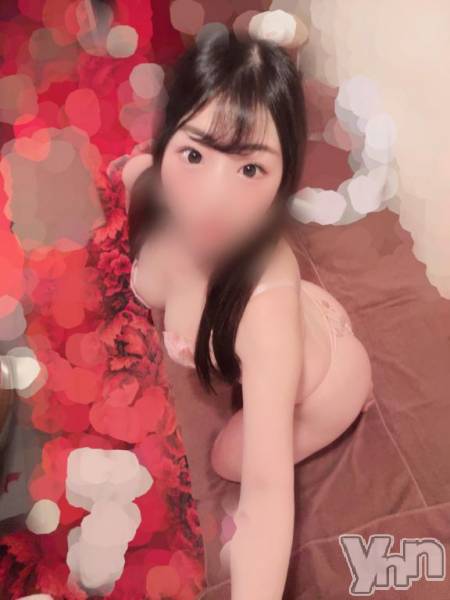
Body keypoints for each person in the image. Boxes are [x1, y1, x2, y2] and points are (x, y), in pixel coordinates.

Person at [127, 29, 373, 600]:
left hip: (324, 383)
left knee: (228, 459)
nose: (213, 198)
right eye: (194, 155)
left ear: (283, 180)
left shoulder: (264, 313)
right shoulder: (156, 194)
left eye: (250, 169)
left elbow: (265, 494)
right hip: (300, 319)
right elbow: (138, 174)